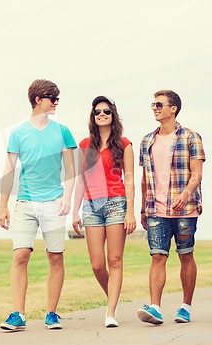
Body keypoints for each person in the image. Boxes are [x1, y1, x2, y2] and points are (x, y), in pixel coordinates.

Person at [0, 79, 77, 331]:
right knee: (21, 255)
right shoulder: (18, 133)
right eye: (51, 97)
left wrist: (67, 197)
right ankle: (18, 314)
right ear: (37, 100)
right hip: (26, 203)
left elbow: (72, 169)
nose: (56, 102)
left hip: (54, 203)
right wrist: (3, 206)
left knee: (55, 256)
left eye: (57, 98)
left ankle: (51, 313)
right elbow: (9, 170)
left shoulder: (62, 131)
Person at [137, 89, 205, 325]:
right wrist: (143, 208)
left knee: (186, 255)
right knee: (158, 256)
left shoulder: (191, 137)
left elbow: (197, 174)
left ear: (173, 108)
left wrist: (185, 194)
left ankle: (185, 307)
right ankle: (155, 307)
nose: (155, 108)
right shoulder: (147, 140)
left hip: (186, 209)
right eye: (153, 104)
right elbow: (145, 178)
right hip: (156, 209)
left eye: (159, 104)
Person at [71, 96, 136, 328]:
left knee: (115, 260)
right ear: (93, 116)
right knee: (97, 264)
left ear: (113, 115)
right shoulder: (85, 145)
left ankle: (110, 312)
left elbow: (129, 179)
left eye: (106, 111)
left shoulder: (125, 144)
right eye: (97, 112)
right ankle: (113, 297)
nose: (101, 115)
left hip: (116, 203)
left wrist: (130, 212)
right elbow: (80, 180)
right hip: (91, 206)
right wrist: (75, 211)